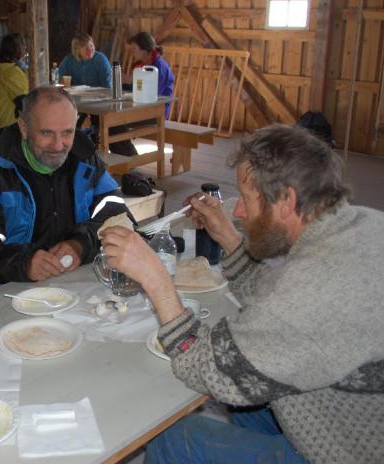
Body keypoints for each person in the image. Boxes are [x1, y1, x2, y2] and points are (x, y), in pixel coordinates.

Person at [100, 125, 384, 463]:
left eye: (246, 200)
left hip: (347, 450)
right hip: (341, 404)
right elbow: (284, 298)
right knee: (234, 406)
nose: (237, 212)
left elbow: (205, 366)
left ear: (286, 200)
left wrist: (156, 279)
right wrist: (230, 241)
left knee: (174, 435)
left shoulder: (316, 288)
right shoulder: (363, 224)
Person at [0, 86, 130, 284]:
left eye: (67, 133)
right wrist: (24, 264)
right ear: (23, 128)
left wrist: (81, 244)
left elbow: (118, 217)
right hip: (10, 293)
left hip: (77, 281)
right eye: (46, 133)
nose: (58, 145)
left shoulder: (86, 160)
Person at [123, 32, 175, 118]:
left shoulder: (159, 67)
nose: (131, 52)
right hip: (142, 107)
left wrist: (130, 82)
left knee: (118, 123)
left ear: (144, 50)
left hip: (157, 113)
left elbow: (154, 95)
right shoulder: (141, 64)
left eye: (134, 48)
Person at [0, 33, 29, 131]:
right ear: (19, 49)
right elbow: (24, 102)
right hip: (6, 127)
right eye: (24, 46)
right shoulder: (12, 73)